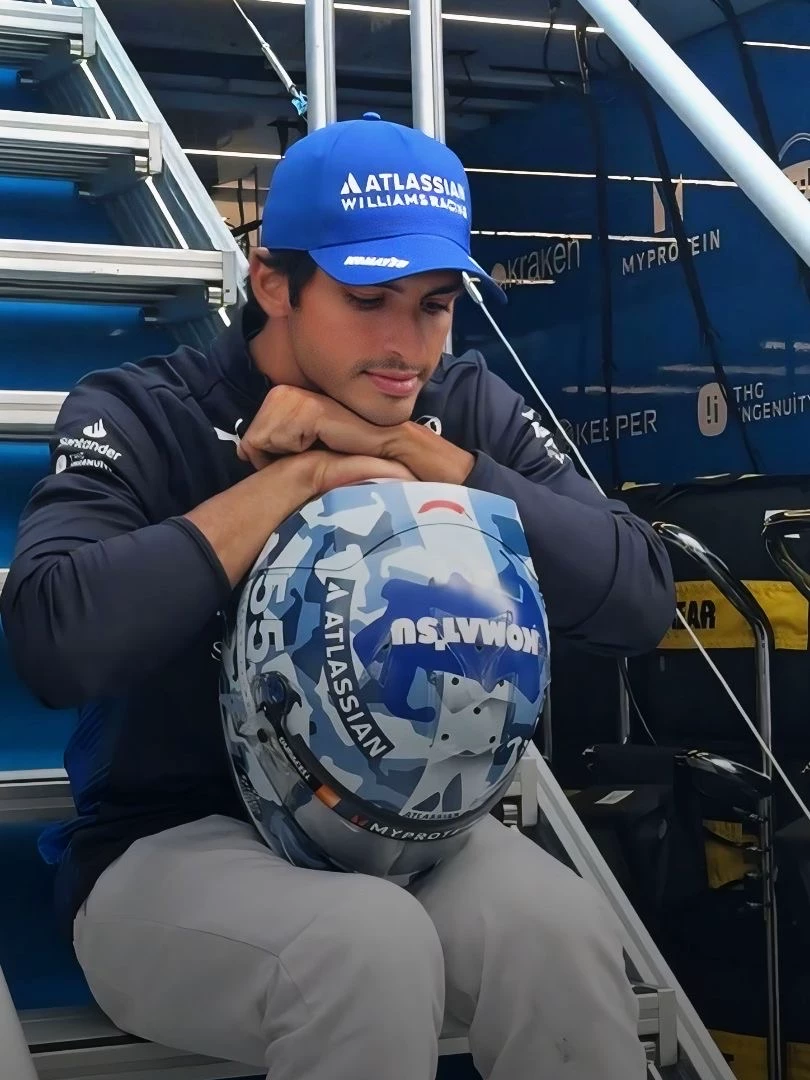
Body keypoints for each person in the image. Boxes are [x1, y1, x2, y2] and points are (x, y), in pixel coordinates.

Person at [1, 111, 674, 1080]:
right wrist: (301, 478)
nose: (408, 346)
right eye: (369, 299)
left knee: (562, 928)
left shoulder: (458, 409)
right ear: (273, 282)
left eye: (434, 305)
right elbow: (54, 638)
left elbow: (639, 597)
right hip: (166, 846)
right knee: (363, 943)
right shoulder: (143, 408)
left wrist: (412, 455)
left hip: (418, 837)